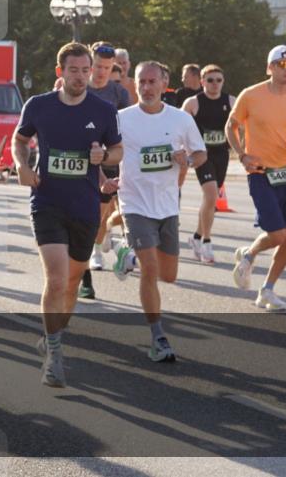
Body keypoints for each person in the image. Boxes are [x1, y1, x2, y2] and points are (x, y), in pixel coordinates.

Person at [13, 43, 122, 385]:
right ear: (60, 72)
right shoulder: (39, 105)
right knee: (57, 278)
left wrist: (102, 156)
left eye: (85, 70)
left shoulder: (103, 110)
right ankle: (55, 356)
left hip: (85, 207)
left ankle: (52, 335)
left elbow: (117, 150)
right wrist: (21, 165)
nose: (80, 76)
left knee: (73, 282)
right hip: (47, 202)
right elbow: (20, 139)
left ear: (92, 72)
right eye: (73, 70)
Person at [112, 60, 206, 362]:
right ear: (135, 84)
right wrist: (105, 174)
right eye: (142, 81)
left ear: (164, 84)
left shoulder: (180, 119)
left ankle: (123, 249)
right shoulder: (121, 119)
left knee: (169, 276)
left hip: (167, 206)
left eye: (153, 82)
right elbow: (105, 150)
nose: (147, 87)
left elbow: (201, 152)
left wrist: (187, 161)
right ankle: (158, 337)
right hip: (134, 203)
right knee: (150, 270)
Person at [226, 45, 286, 311]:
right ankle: (249, 253)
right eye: (282, 65)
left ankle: (267, 289)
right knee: (276, 235)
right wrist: (242, 155)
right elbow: (232, 125)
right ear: (270, 67)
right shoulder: (251, 95)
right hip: (261, 172)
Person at [84, 42, 130, 296]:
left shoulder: (119, 93)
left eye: (107, 67)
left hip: (110, 159)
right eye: (98, 66)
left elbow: (127, 128)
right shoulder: (80, 86)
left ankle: (98, 244)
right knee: (92, 212)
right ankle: (93, 252)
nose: (101, 71)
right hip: (83, 161)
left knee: (102, 212)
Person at [182, 64, 235, 265]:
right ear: (202, 81)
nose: (214, 84)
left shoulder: (231, 101)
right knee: (211, 194)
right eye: (210, 80)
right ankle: (206, 242)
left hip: (222, 154)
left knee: (209, 200)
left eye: (218, 80)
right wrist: (183, 151)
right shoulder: (193, 103)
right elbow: (179, 126)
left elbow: (243, 124)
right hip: (201, 155)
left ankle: (195, 237)